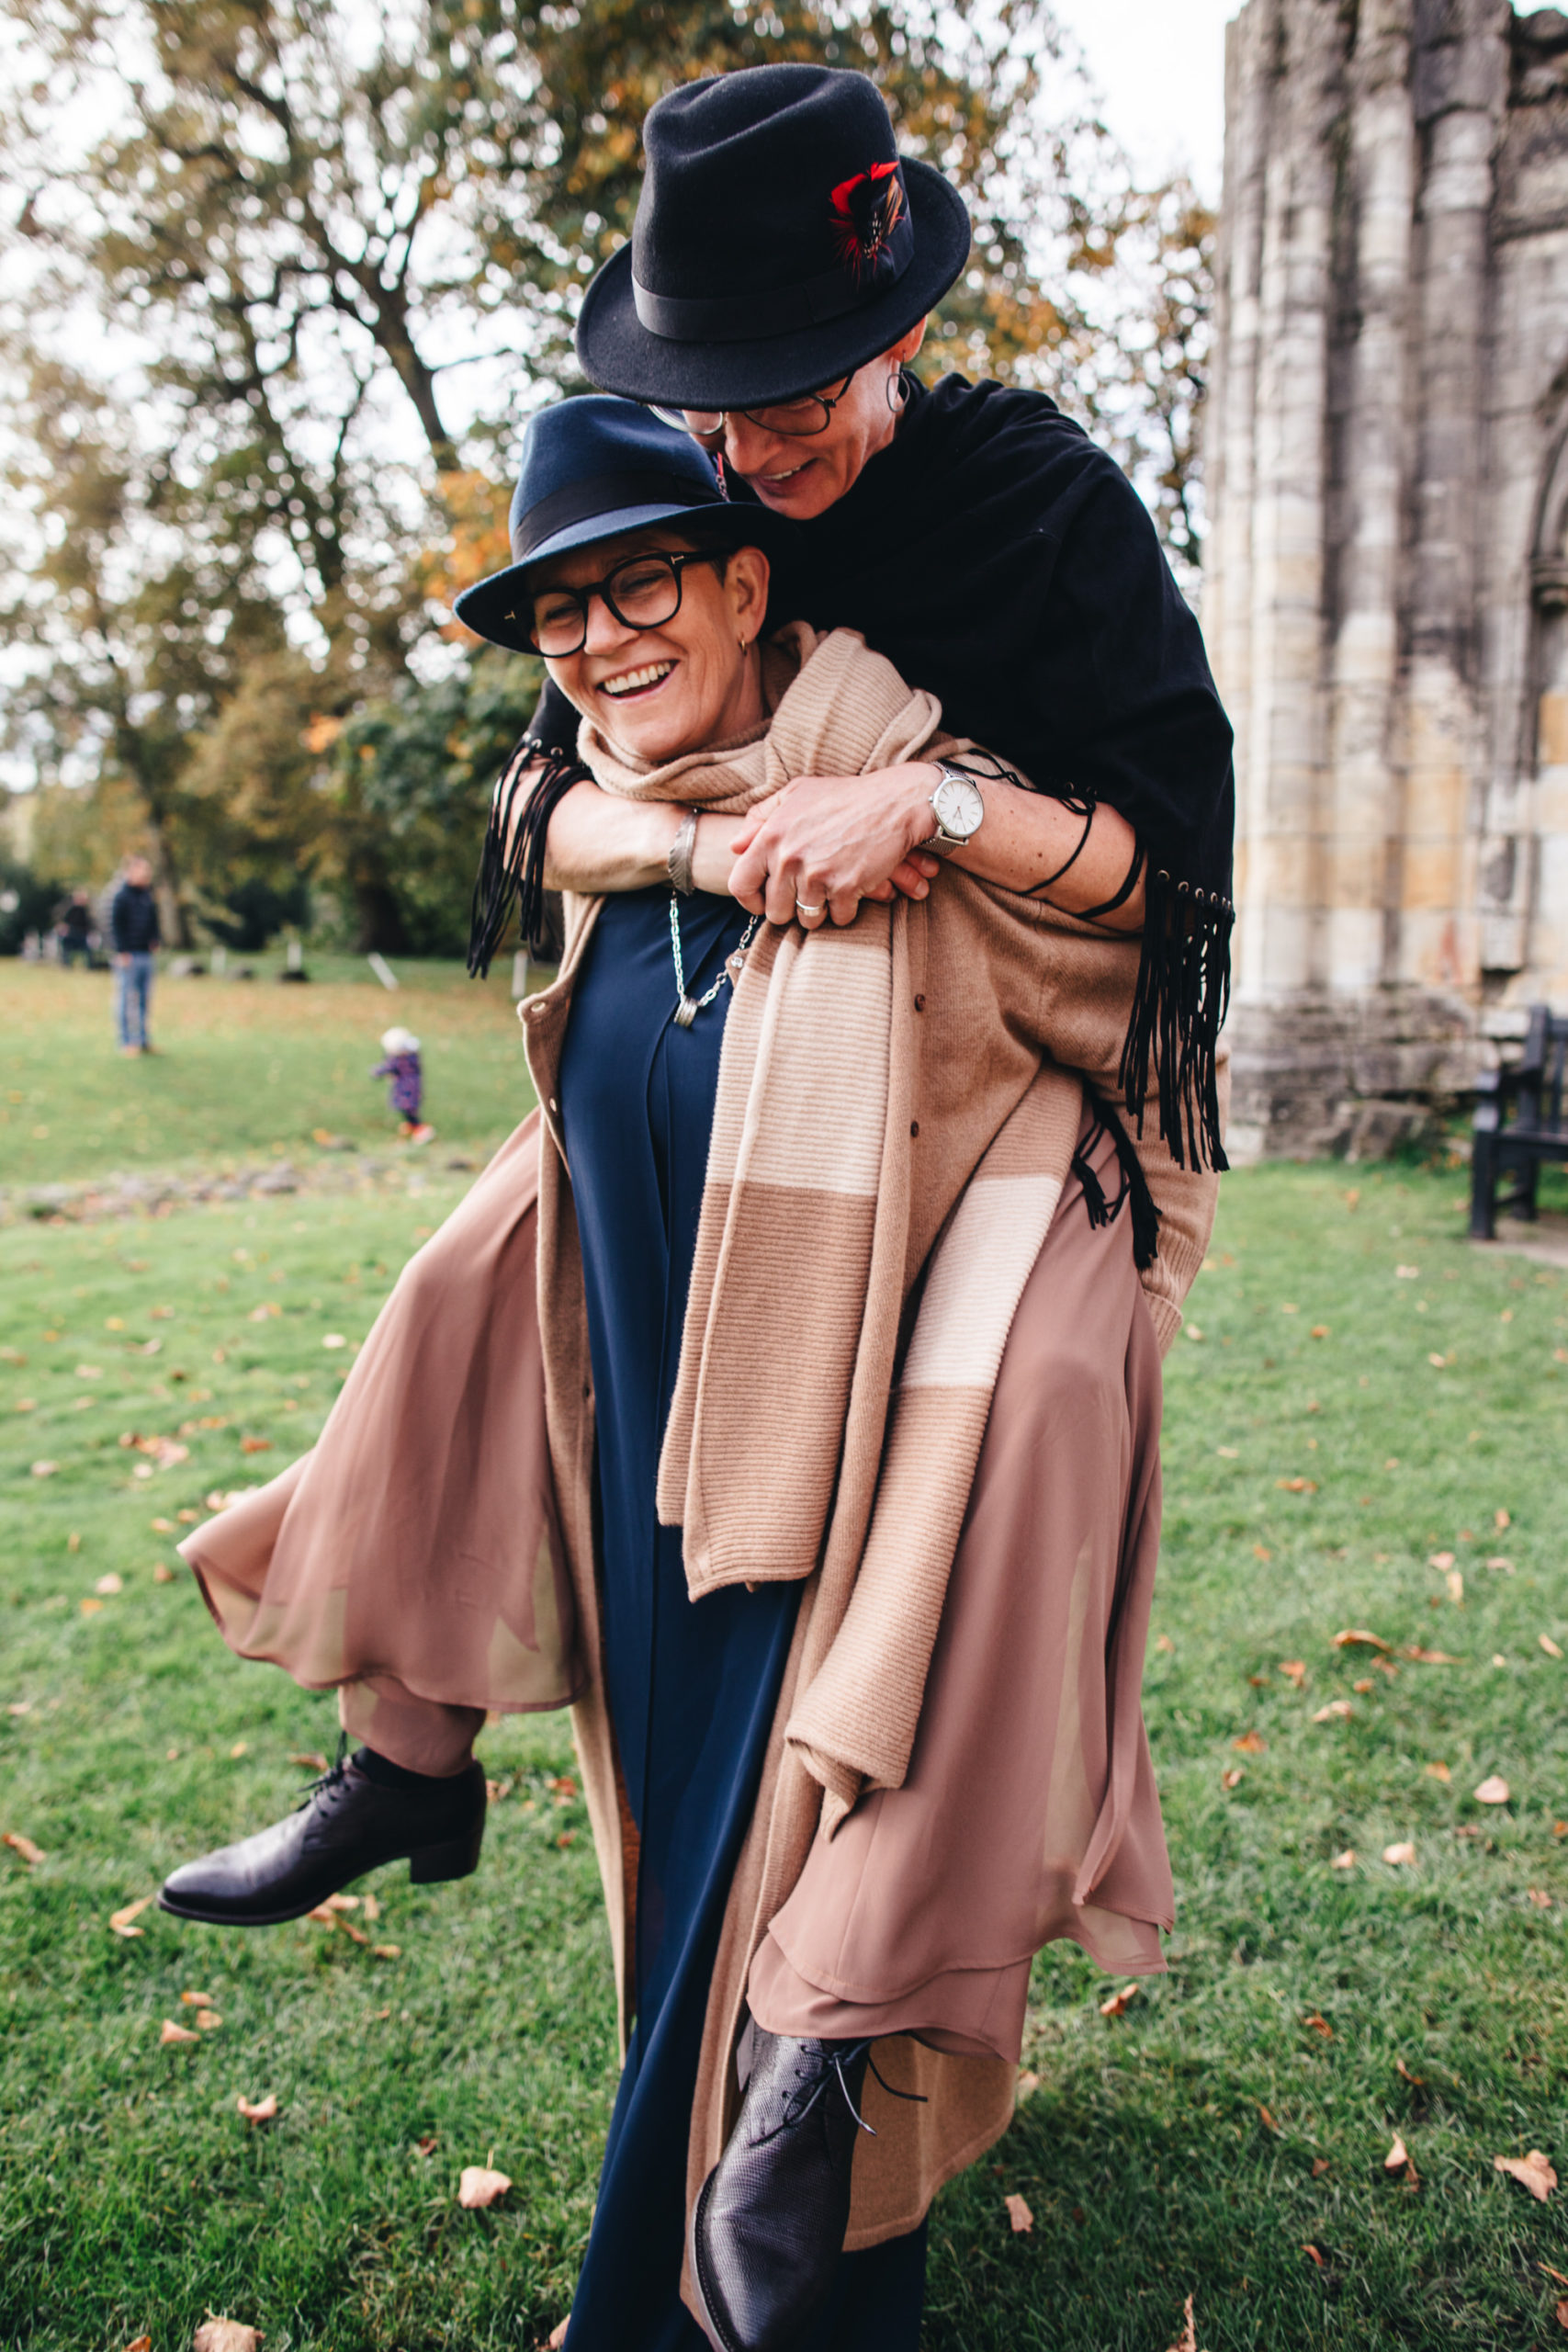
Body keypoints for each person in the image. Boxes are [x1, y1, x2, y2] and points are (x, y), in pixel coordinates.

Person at [162, 383, 1224, 2348]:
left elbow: (1150, 923)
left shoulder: (1003, 559)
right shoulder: (642, 754)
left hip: (979, 1232)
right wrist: (676, 838)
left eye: (640, 586)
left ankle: (830, 2061)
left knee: (983, 1502)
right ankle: (409, 1746)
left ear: (750, 583)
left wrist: (934, 808)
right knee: (470, 1256)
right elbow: (539, 791)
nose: (599, 636)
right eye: (562, 613)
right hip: (663, 1352)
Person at [109, 856, 160, 1055]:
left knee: (144, 1000)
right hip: (128, 956)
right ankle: (126, 1041)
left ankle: (143, 1040)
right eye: (142, 870)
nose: (147, 874)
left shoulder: (147, 895)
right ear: (131, 872)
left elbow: (153, 921)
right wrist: (122, 951)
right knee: (125, 999)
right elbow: (115, 926)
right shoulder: (121, 896)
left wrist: (155, 939)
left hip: (146, 954)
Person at [370, 1024, 435, 1145]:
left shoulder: (401, 1059)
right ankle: (412, 1126)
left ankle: (421, 1130)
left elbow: (389, 1067)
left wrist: (376, 1072)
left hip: (406, 1090)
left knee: (408, 1109)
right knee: (408, 1109)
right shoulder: (411, 1056)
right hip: (409, 1088)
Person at [55, 889, 96, 968]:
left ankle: (90, 966)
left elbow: (89, 924)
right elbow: (65, 923)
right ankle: (66, 965)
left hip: (82, 936)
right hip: (72, 935)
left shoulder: (85, 911)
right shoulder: (71, 910)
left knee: (88, 950)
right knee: (66, 948)